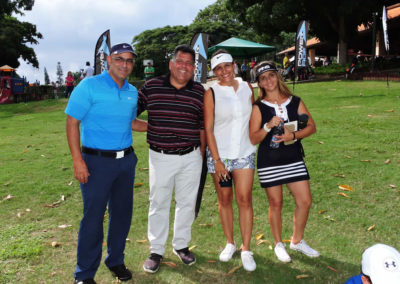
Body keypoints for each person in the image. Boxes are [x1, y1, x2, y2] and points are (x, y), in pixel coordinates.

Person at [65, 43, 147, 284]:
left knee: (122, 214)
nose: (124, 64)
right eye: (119, 59)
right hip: (96, 162)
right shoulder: (89, 86)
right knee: (93, 217)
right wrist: (77, 160)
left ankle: (115, 260)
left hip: (126, 162)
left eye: (129, 60)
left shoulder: (132, 91)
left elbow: (131, 122)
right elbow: (72, 123)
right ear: (109, 61)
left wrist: (159, 127)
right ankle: (84, 274)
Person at [137, 44, 205, 274]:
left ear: (194, 68)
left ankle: (181, 245)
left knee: (187, 203)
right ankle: (156, 250)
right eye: (180, 62)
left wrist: (203, 154)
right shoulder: (152, 86)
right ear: (171, 64)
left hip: (192, 156)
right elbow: (127, 115)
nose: (184, 66)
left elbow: (204, 125)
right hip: (161, 156)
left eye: (189, 63)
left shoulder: (199, 91)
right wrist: (151, 127)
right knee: (159, 203)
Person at [249, 61, 319, 263]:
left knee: (305, 201)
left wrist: (293, 136)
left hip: (293, 158)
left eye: (271, 75)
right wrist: (268, 126)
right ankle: (279, 243)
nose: (268, 81)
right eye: (263, 78)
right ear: (259, 83)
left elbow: (312, 127)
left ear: (278, 76)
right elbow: (253, 138)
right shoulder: (258, 107)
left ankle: (296, 241)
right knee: (276, 203)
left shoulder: (295, 101)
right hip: (269, 162)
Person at [204, 49, 257, 271]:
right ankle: (230, 242)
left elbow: (255, 114)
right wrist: (216, 160)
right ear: (213, 72)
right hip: (221, 156)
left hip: (245, 152)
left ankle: (246, 248)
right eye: (218, 69)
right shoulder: (211, 92)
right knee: (224, 199)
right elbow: (208, 128)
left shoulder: (246, 88)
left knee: (244, 199)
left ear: (234, 65)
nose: (223, 71)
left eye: (226, 66)